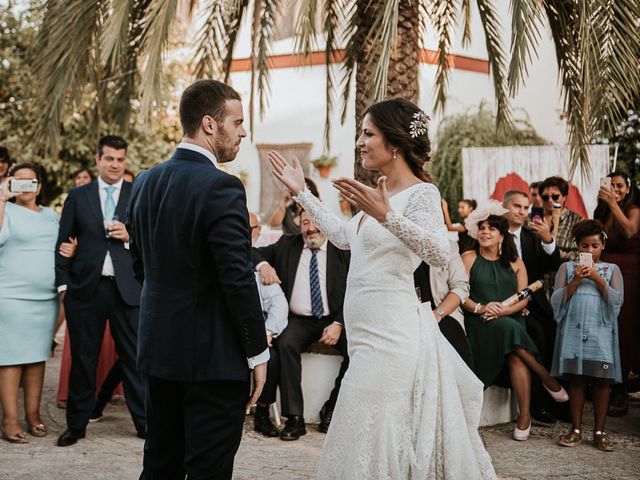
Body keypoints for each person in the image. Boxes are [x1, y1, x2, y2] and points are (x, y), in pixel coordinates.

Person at [269, 97, 495, 478]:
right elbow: (342, 237)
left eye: (367, 133)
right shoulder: (379, 196)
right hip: (366, 337)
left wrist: (386, 215)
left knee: (363, 428)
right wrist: (301, 193)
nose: (359, 142)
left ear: (394, 144)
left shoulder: (421, 194)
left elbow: (439, 251)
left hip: (392, 338)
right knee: (367, 431)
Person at [127, 79, 268, 480]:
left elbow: (142, 268)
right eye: (237, 122)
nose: (243, 132)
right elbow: (237, 278)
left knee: (159, 465)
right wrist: (257, 352)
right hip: (213, 362)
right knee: (208, 470)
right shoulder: (222, 186)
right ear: (210, 124)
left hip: (159, 351)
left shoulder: (145, 181)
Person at [55, 135, 145, 446]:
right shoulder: (77, 197)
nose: (116, 165)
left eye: (120, 159)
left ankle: (145, 425)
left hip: (127, 291)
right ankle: (76, 426)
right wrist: (65, 285)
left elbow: (151, 242)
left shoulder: (137, 193)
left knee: (134, 359)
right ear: (98, 160)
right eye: (110, 159)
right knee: (84, 360)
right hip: (86, 291)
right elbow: (63, 244)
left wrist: (129, 236)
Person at [462, 203, 568, 442]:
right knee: (510, 333)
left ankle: (525, 416)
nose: (485, 232)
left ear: (501, 235)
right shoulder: (468, 258)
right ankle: (545, 377)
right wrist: (481, 308)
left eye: (491, 229)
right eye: (482, 228)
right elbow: (460, 294)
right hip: (481, 320)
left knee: (515, 355)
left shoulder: (515, 262)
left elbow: (524, 298)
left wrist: (504, 311)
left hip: (509, 317)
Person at [253, 209, 350, 438]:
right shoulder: (288, 244)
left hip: (334, 318)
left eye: (315, 222)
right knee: (285, 343)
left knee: (359, 349)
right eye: (305, 222)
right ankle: (294, 418)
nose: (310, 228)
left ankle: (332, 407)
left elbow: (358, 289)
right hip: (298, 320)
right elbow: (252, 251)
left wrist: (339, 323)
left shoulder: (342, 250)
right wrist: (264, 266)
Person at [551, 220, 623, 451]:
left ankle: (600, 432)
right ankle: (576, 429)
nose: (589, 251)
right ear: (577, 247)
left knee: (602, 382)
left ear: (603, 245)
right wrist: (577, 280)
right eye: (584, 246)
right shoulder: (567, 268)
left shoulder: (612, 270)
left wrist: (597, 278)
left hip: (600, 332)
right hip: (574, 331)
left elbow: (616, 300)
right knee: (576, 380)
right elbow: (556, 300)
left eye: (594, 245)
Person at [0, 163, 59, 443]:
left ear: (39, 186)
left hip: (44, 300)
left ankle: (34, 415)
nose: (24, 185)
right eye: (18, 180)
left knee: (37, 357)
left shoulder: (50, 215)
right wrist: (1, 198)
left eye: (30, 180)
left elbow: (60, 247)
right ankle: (10, 420)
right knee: (10, 359)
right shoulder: (6, 209)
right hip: (11, 297)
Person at [502, 190, 563, 423]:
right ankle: (537, 403)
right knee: (534, 336)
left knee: (552, 334)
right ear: (504, 206)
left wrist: (548, 240)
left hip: (534, 300)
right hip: (502, 299)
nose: (522, 212)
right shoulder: (494, 233)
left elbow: (552, 264)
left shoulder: (532, 235)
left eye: (526, 208)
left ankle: (547, 402)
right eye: (517, 206)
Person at [593, 172, 640, 416]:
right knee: (605, 325)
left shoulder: (633, 209)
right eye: (610, 186)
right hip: (605, 271)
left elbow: (630, 231)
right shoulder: (601, 211)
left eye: (619, 185)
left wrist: (613, 202)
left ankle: (621, 388)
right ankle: (603, 382)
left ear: (628, 187)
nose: (615, 189)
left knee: (625, 329)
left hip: (630, 272)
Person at [248, 212, 289, 438]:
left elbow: (279, 303)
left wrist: (267, 332)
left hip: (258, 329)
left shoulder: (262, 267)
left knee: (271, 358)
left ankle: (262, 413)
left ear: (258, 230)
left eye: (250, 228)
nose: (246, 233)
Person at [413, 240, 473, 367]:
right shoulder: (398, 246)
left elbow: (460, 287)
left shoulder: (448, 246)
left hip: (444, 312)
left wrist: (438, 314)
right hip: (409, 315)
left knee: (451, 345)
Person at [538, 176, 583, 297]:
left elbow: (584, 254)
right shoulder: (533, 219)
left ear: (564, 197)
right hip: (537, 285)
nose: (550, 200)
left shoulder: (577, 221)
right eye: (545, 197)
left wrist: (559, 254)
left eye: (555, 196)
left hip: (565, 284)